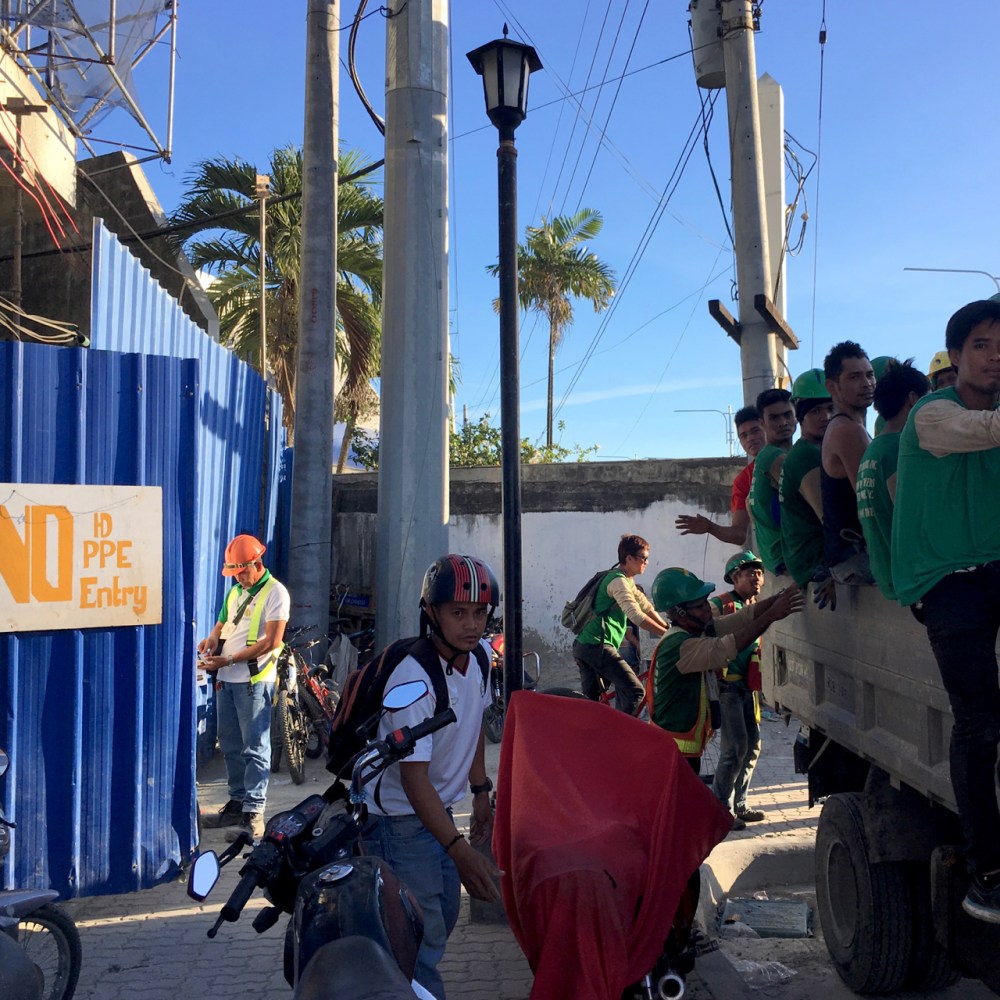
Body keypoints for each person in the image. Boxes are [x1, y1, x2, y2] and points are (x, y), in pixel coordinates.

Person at [891, 300, 1000, 923]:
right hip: (946, 583)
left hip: (994, 568)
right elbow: (984, 431)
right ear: (955, 356)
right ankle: (987, 872)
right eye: (982, 345)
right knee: (979, 723)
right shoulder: (934, 414)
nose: (994, 357)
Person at [360, 554, 504, 998]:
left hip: (438, 814)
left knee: (442, 916)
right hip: (400, 821)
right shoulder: (413, 680)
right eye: (458, 613)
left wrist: (480, 792)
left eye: (479, 613)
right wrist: (460, 850)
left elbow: (473, 726)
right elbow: (413, 779)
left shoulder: (480, 657)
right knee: (418, 939)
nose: (471, 624)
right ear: (431, 613)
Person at [648, 566, 803, 788]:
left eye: (705, 602)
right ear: (679, 612)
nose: (707, 609)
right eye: (699, 606)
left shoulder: (693, 630)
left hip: (680, 746)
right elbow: (729, 646)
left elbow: (742, 618)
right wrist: (772, 615)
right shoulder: (680, 645)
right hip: (675, 750)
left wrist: (781, 597)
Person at [198, 534, 289, 842]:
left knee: (255, 748)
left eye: (241, 572)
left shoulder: (276, 593)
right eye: (234, 573)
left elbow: (272, 641)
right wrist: (211, 641)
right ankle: (237, 804)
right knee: (230, 746)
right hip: (227, 680)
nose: (238, 578)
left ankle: (254, 813)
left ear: (256, 564)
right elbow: (221, 625)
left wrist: (229, 659)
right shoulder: (236, 592)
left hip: (253, 682)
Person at [855, 360, 930, 601]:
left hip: (890, 578)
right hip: (914, 582)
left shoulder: (874, 449)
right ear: (913, 399)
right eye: (928, 399)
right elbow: (914, 517)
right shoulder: (899, 448)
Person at [573, 534, 669, 715]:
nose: (647, 562)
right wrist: (666, 635)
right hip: (596, 646)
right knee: (635, 691)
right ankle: (620, 731)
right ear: (629, 558)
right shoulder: (617, 581)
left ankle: (592, 732)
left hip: (588, 646)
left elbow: (646, 607)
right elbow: (636, 615)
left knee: (592, 705)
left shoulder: (627, 581)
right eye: (643, 558)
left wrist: (667, 627)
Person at [709, 551, 769, 830]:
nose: (757, 577)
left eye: (760, 572)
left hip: (748, 688)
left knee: (753, 745)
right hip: (727, 687)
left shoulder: (757, 605)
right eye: (750, 573)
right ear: (735, 578)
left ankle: (740, 803)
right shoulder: (720, 605)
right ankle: (720, 808)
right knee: (734, 748)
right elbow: (704, 636)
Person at [821, 341, 876, 579]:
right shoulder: (847, 430)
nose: (866, 383)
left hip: (851, 559)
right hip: (856, 561)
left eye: (870, 375)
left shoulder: (850, 427)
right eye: (854, 377)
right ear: (832, 386)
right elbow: (874, 502)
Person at [675, 406, 766, 547]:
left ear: (765, 426)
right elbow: (739, 535)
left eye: (755, 431)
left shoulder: (794, 458)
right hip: (775, 558)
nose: (750, 438)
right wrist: (710, 527)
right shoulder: (743, 480)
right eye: (743, 435)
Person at [779, 369, 834, 587]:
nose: (825, 417)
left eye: (830, 408)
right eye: (815, 411)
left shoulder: (812, 450)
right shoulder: (806, 455)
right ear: (800, 415)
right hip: (814, 564)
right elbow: (828, 516)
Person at [747, 388, 797, 574]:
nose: (783, 422)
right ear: (762, 423)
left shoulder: (764, 458)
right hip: (789, 560)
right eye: (774, 418)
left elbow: (749, 504)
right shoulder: (773, 457)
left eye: (787, 415)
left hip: (776, 562)